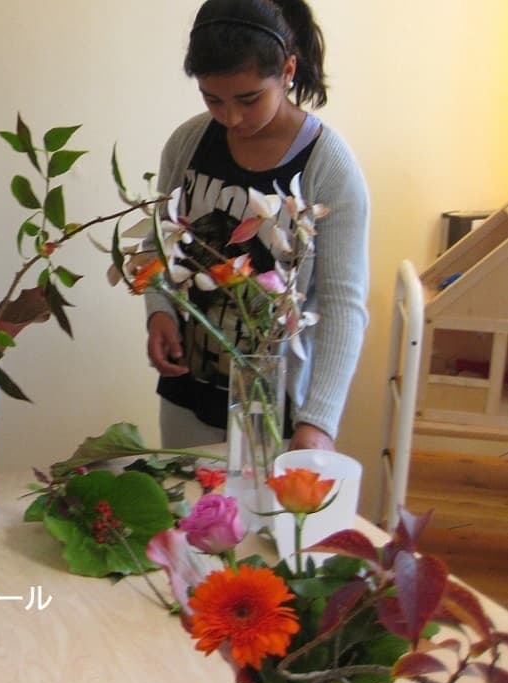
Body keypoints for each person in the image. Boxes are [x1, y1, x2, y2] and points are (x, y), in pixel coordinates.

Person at [146, 0, 369, 451]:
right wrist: (159, 311)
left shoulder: (329, 167)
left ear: (287, 71)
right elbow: (159, 240)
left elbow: (344, 304)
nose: (231, 117)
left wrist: (319, 420)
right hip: (189, 395)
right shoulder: (188, 143)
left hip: (275, 413)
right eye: (213, 99)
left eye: (249, 100)